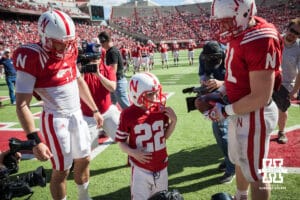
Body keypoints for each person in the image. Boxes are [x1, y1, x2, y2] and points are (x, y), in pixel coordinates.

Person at [13, 10, 103, 200]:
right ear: (45, 38)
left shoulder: (70, 50)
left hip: (77, 115)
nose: (66, 46)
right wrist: (35, 141)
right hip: (56, 118)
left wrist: (94, 109)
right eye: (61, 42)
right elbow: (22, 104)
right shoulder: (32, 57)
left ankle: (84, 196)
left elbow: (78, 81)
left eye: (69, 41)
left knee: (85, 159)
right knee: (62, 169)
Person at [208, 0, 283, 199]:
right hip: (241, 110)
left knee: (256, 174)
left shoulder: (260, 38)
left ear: (245, 13)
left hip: (254, 114)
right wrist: (222, 90)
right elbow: (238, 76)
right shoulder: (241, 31)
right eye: (220, 22)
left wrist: (225, 111)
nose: (223, 26)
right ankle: (241, 196)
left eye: (226, 21)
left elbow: (260, 96)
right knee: (240, 161)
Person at [115, 72, 177, 200]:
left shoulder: (160, 110)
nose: (155, 97)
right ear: (136, 95)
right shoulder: (127, 114)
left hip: (162, 166)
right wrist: (133, 152)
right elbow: (121, 142)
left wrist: (173, 122)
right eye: (150, 94)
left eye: (156, 92)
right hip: (140, 169)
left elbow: (164, 137)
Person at [197, 41, 235, 184]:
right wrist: (204, 82)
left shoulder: (231, 55)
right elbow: (203, 74)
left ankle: (232, 167)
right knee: (219, 128)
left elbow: (240, 79)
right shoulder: (203, 57)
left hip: (235, 93)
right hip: (218, 94)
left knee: (221, 130)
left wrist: (221, 83)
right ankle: (229, 160)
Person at [80, 37, 120, 141]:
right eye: (91, 59)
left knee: (124, 138)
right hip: (88, 116)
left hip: (107, 111)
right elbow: (77, 89)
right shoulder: (82, 71)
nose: (94, 61)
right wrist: (80, 71)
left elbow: (112, 87)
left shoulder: (107, 69)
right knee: (84, 152)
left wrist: (98, 75)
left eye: (96, 58)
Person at [276, 17, 300, 144]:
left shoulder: (299, 47)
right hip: (269, 79)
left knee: (282, 108)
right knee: (260, 107)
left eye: (297, 33)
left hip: (286, 83)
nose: (293, 34)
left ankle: (281, 131)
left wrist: (295, 90)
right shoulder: (275, 39)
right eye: (292, 30)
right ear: (287, 28)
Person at [98, 31, 130, 109]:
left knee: (125, 106)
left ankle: (135, 121)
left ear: (104, 41)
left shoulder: (112, 52)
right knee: (111, 105)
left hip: (117, 81)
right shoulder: (110, 51)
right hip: (116, 81)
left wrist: (106, 81)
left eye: (101, 42)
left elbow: (113, 70)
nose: (101, 45)